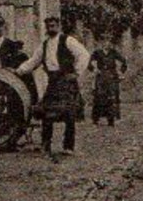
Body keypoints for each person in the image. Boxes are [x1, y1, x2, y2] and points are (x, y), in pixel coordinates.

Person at [19, 16, 90, 159]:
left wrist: (76, 73)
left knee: (69, 114)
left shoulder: (68, 41)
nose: (51, 28)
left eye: (53, 26)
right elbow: (33, 61)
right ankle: (46, 144)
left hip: (66, 80)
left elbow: (84, 55)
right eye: (48, 26)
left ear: (58, 26)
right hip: (53, 81)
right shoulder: (44, 45)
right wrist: (19, 71)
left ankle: (68, 146)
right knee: (47, 113)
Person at [91, 41, 125, 126]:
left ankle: (113, 119)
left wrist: (121, 72)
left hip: (112, 77)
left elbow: (123, 61)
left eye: (109, 43)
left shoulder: (114, 52)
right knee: (99, 97)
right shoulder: (97, 52)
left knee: (113, 97)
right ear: (102, 44)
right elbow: (89, 62)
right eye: (105, 42)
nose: (107, 44)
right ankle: (96, 119)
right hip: (101, 77)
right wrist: (94, 69)